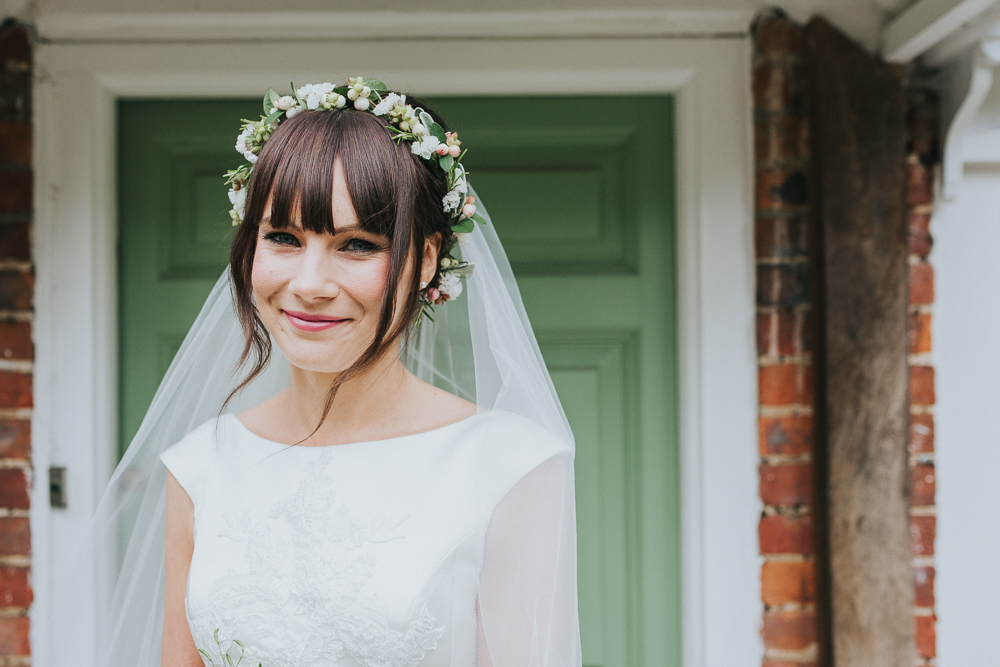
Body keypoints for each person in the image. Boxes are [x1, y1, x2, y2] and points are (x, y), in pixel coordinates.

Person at [86, 79, 581, 667]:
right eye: (282, 238)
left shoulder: (509, 466)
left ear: (425, 258)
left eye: (357, 245)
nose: (310, 284)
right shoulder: (201, 467)